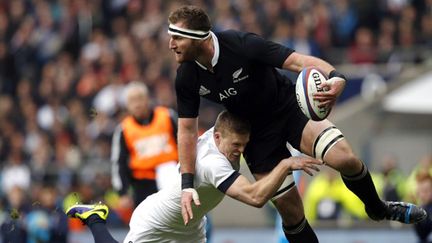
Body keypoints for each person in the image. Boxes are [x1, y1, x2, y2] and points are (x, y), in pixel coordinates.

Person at [167, 5, 427, 243]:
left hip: (288, 109)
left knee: (345, 158)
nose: (170, 44)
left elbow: (298, 61)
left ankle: (377, 209)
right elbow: (187, 132)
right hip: (255, 137)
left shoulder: (241, 44)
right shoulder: (186, 76)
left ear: (198, 37)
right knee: (291, 214)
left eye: (177, 37)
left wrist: (336, 77)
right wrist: (187, 185)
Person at [65, 110, 322, 243]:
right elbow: (255, 197)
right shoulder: (212, 163)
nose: (241, 152)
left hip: (191, 224)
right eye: (237, 146)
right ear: (218, 137)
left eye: (244, 145)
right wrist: (286, 164)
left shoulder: (221, 132)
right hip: (158, 220)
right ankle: (95, 218)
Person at [111, 81, 178, 209]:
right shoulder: (124, 129)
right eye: (132, 100)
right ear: (127, 105)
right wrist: (122, 192)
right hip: (143, 183)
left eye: (140, 98)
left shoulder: (167, 116)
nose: (137, 104)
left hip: (173, 176)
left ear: (147, 99)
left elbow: (185, 142)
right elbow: (118, 162)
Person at [413, 171, 432, 243]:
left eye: (427, 190)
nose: (425, 194)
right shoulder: (418, 211)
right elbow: (422, 236)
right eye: (422, 191)